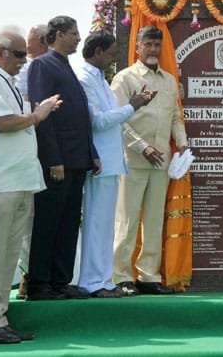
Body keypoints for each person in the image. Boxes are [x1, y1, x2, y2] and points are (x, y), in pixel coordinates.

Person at [0, 31, 61, 343]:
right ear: (2, 52)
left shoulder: (5, 80)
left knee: (8, 254)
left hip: (17, 179)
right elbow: (0, 122)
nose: (25, 60)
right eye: (20, 55)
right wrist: (37, 115)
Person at [111, 26, 189, 296]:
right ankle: (121, 276)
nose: (153, 49)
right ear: (137, 47)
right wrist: (142, 147)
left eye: (157, 45)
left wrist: (182, 144)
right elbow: (117, 120)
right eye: (149, 44)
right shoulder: (124, 79)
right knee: (127, 220)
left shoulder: (168, 80)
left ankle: (148, 276)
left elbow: (175, 118)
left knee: (154, 221)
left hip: (162, 162)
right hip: (132, 159)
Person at [76, 32, 154, 298]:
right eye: (110, 54)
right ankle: (91, 281)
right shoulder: (85, 79)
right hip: (99, 161)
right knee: (96, 224)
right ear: (97, 52)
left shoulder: (100, 79)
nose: (112, 60)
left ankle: (104, 280)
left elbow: (111, 119)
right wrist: (132, 106)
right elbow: (97, 121)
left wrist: (136, 106)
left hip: (111, 161)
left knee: (106, 224)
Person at [27, 15, 98, 301]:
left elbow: (80, 117)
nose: (78, 39)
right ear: (56, 35)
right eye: (73, 33)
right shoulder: (42, 65)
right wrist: (53, 159)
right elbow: (43, 117)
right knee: (49, 223)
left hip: (77, 159)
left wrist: (90, 153)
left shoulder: (67, 67)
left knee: (68, 223)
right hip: (58, 162)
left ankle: (60, 280)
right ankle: (40, 283)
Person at [15, 24, 49, 300]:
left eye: (30, 43)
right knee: (26, 221)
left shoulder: (52, 67)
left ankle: (38, 276)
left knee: (39, 221)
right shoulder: (24, 71)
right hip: (23, 151)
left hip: (45, 154)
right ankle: (27, 275)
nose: (26, 50)